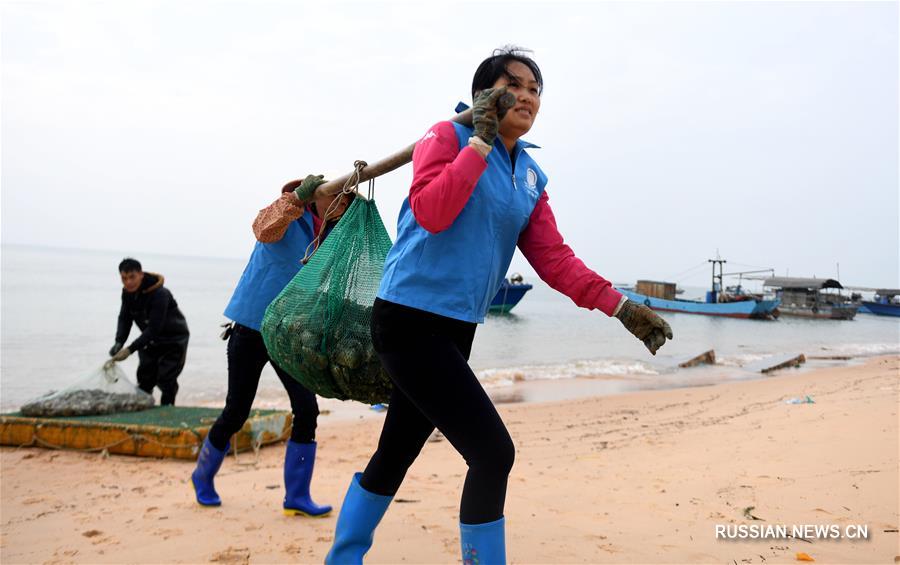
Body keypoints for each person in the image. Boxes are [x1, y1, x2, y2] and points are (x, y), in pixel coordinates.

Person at [325, 47, 674, 564]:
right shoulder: (444, 137)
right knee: (493, 454)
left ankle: (342, 559)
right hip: (407, 320)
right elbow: (433, 212)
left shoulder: (530, 175)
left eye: (536, 89)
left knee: (395, 452)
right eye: (515, 85)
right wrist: (480, 143)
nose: (527, 96)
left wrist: (622, 307)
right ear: (484, 95)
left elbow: (554, 259)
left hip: (457, 329)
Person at [190, 175, 350, 516]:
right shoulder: (286, 216)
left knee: (307, 409)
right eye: (336, 196)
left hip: (289, 333)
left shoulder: (331, 233)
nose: (342, 203)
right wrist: (296, 198)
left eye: (345, 199)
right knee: (237, 411)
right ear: (316, 197)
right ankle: (202, 476)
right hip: (250, 327)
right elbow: (262, 228)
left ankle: (297, 496)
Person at [108, 258, 190, 406]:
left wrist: (130, 349)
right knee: (145, 378)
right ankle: (144, 409)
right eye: (124, 278)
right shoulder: (127, 294)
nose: (128, 282)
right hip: (150, 340)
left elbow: (154, 328)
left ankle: (168, 408)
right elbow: (125, 318)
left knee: (165, 379)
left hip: (174, 340)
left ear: (141, 274)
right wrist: (119, 341)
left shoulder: (160, 294)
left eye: (132, 277)